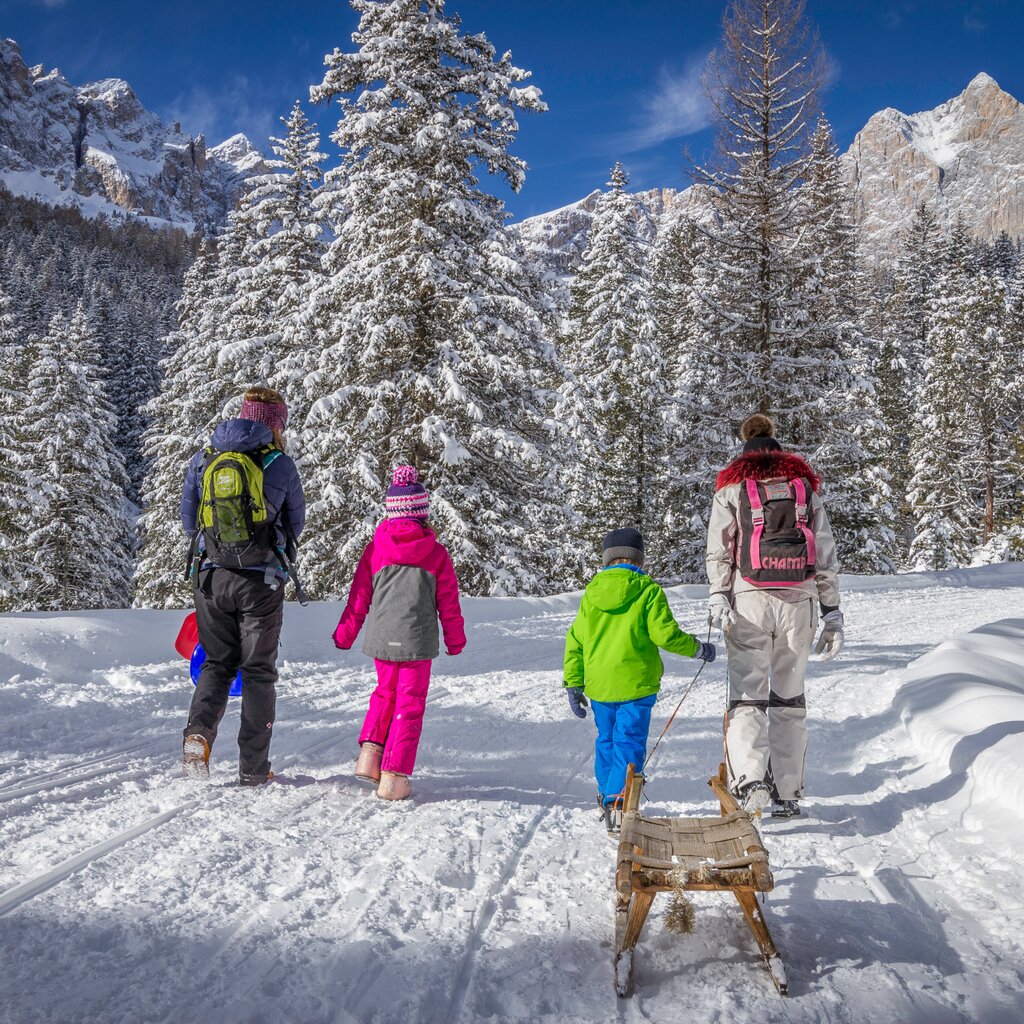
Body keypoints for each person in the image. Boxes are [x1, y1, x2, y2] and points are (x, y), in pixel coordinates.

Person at [706, 414, 843, 819]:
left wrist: (719, 596)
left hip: (749, 600)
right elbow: (825, 553)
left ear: (744, 443)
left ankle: (751, 782)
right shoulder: (802, 487)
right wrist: (832, 612)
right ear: (775, 442)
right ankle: (787, 791)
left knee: (747, 695)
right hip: (799, 602)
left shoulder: (732, 487)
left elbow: (719, 550)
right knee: (789, 698)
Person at [180, 386, 305, 786]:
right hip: (261, 582)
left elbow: (188, 521)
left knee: (217, 664)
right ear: (276, 425)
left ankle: (198, 736)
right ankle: (253, 768)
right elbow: (296, 524)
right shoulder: (280, 464)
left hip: (211, 579)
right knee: (258, 671)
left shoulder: (205, 458)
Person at [563, 527, 716, 835]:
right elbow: (666, 635)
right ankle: (619, 803)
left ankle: (607, 794)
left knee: (607, 739)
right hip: (636, 685)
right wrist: (698, 648)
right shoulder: (648, 591)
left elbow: (575, 640)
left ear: (607, 559)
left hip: (600, 686)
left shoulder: (591, 595)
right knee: (629, 740)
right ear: (639, 558)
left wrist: (573, 682)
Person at [332, 465, 465, 801]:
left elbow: (359, 598)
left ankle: (369, 755)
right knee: (410, 703)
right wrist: (455, 640)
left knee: (384, 693)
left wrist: (345, 634)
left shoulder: (375, 550)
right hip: (417, 642)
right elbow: (448, 604)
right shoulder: (436, 554)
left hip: (382, 638)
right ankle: (394, 775)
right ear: (422, 513)